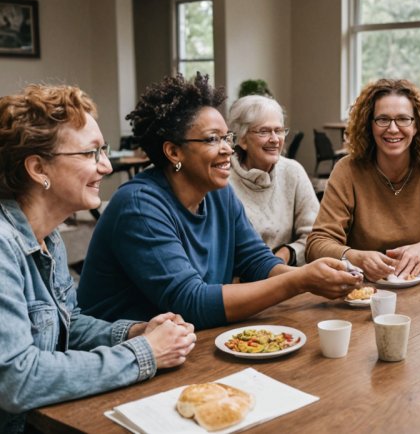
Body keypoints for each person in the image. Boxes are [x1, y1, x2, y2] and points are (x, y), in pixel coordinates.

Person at [77, 74, 361, 330]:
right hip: (123, 356)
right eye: (213, 139)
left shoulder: (217, 192)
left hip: (187, 342)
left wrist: (313, 275)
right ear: (174, 151)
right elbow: (191, 303)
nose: (227, 149)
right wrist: (300, 280)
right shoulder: (139, 206)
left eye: (226, 137)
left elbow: (256, 260)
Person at [0, 84, 196, 433]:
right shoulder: (3, 246)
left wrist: (135, 332)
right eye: (91, 153)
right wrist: (145, 353)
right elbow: (18, 380)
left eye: (103, 151)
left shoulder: (48, 237)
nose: (106, 166)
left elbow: (67, 326)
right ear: (38, 169)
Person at [306, 78, 420, 282]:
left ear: (416, 126)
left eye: (404, 119)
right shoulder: (347, 170)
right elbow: (317, 244)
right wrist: (355, 257)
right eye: (383, 119)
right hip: (363, 289)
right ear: (369, 125)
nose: (393, 129)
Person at [227, 95, 318, 266]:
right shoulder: (224, 180)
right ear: (242, 139)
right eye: (264, 131)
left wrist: (287, 253)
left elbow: (316, 235)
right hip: (243, 282)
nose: (275, 139)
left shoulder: (293, 172)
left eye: (279, 130)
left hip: (288, 276)